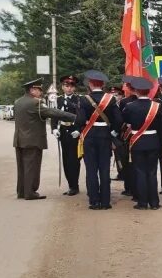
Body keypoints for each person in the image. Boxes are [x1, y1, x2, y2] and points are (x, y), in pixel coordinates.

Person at [13, 78, 76, 200]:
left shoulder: (18, 102)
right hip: (33, 140)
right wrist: (75, 117)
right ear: (32, 90)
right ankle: (30, 193)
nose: (41, 92)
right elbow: (52, 112)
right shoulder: (35, 103)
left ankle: (22, 191)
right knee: (32, 167)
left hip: (19, 139)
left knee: (22, 167)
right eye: (38, 90)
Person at [73, 70, 123, 210]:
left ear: (90, 84)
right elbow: (118, 119)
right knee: (104, 169)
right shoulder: (111, 99)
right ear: (102, 85)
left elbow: (81, 119)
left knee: (91, 169)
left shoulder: (84, 99)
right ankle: (106, 201)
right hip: (105, 136)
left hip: (90, 136)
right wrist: (113, 131)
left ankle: (94, 201)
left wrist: (78, 128)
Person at [122, 77, 162, 210]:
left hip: (137, 142)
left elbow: (125, 122)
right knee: (152, 172)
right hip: (153, 141)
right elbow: (161, 125)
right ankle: (155, 202)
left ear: (136, 91)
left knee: (140, 172)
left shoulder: (130, 107)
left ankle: (142, 202)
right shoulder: (157, 106)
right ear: (148, 91)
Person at [50, 74, 83, 195]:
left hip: (74, 132)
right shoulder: (58, 100)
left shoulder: (79, 100)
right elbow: (54, 115)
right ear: (62, 87)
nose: (69, 88)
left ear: (74, 88)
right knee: (66, 160)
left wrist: (79, 130)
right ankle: (70, 185)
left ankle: (75, 186)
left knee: (74, 160)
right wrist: (54, 128)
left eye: (71, 86)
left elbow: (82, 117)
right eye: (66, 85)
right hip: (63, 131)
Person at [118, 77, 139, 197]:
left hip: (129, 135)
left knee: (128, 162)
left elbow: (121, 119)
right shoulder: (149, 101)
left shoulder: (124, 102)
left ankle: (129, 187)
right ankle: (135, 187)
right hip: (134, 134)